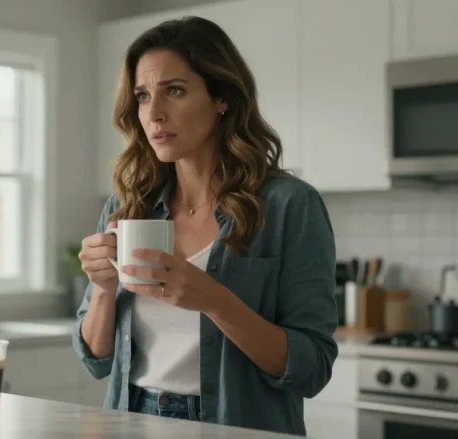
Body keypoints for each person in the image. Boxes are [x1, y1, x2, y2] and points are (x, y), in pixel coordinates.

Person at [72, 16, 338, 437]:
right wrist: (103, 289)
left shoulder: (290, 205)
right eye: (142, 96)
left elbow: (312, 367)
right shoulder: (128, 206)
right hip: (132, 419)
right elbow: (96, 359)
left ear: (222, 98)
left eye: (174, 91)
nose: (154, 113)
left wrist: (215, 300)